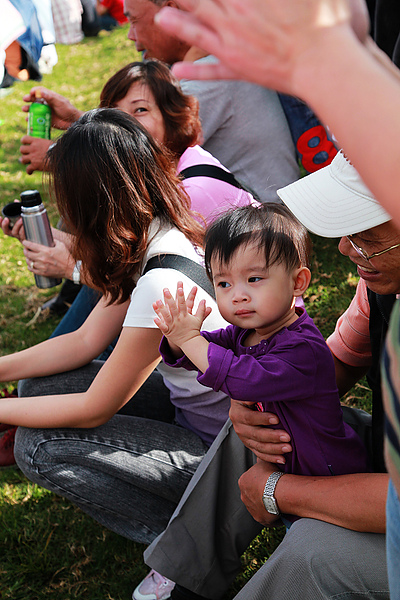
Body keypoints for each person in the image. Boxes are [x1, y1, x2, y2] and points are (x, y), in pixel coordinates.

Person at [0, 109, 234, 589]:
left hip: (223, 457)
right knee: (36, 389)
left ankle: (187, 548)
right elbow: (84, 341)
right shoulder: (158, 232)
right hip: (192, 412)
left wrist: (6, 412)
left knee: (37, 443)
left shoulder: (160, 279)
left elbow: (94, 408)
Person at [142, 151, 392, 600]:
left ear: (298, 281)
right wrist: (245, 401)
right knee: (266, 420)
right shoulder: (382, 287)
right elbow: (334, 364)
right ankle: (184, 574)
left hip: (369, 485)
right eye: (223, 283)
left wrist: (277, 489)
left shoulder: (300, 336)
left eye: (367, 232)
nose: (344, 247)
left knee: (312, 548)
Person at [6, 60, 255, 336]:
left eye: (140, 110)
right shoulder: (169, 170)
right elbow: (129, 256)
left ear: (173, 117)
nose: (124, 124)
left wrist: (72, 269)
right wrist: (49, 236)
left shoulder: (191, 194)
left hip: (245, 329)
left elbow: (149, 283)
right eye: (114, 113)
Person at [153, 203, 369, 492]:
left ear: (298, 282)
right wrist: (177, 340)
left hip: (331, 472)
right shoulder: (244, 334)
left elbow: (244, 380)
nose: (238, 295)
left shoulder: (302, 347)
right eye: (224, 283)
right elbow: (203, 353)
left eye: (254, 279)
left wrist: (190, 340)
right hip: (293, 466)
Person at [19, 0, 302, 203]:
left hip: (260, 226)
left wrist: (58, 157)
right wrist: (76, 119)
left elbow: (135, 160)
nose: (131, 36)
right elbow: (138, 134)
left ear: (172, 11)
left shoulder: (211, 74)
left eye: (134, 20)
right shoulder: (213, 59)